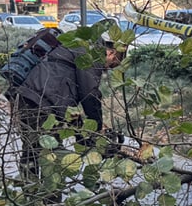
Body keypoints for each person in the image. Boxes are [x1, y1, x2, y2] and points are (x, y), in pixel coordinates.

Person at [11, 37, 125, 180]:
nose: (107, 69)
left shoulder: (75, 47)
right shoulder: (92, 54)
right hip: (43, 103)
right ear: (111, 53)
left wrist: (82, 131)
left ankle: (30, 192)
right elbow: (89, 94)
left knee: (31, 150)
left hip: (26, 97)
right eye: (112, 64)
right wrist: (97, 128)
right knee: (51, 156)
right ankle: (49, 198)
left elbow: (66, 90)